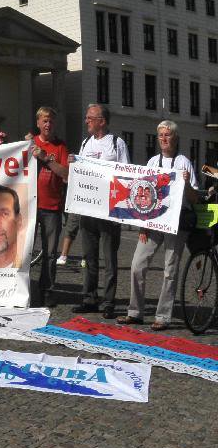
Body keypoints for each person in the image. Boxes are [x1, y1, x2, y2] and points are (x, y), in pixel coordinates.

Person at [120, 120, 198, 329]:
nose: (164, 138)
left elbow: (194, 198)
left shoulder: (184, 162)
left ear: (175, 138)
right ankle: (135, 312)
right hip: (154, 222)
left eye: (168, 135)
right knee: (137, 264)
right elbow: (142, 195)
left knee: (170, 270)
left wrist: (188, 183)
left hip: (176, 222)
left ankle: (163, 316)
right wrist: (143, 226)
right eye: (161, 135)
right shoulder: (153, 162)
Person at [73, 104, 129, 317]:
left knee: (109, 258)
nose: (86, 121)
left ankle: (109, 302)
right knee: (89, 257)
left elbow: (125, 175)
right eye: (87, 117)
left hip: (109, 211)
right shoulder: (85, 143)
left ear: (102, 121)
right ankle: (89, 298)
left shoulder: (117, 143)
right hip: (88, 209)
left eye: (90, 118)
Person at [29, 107, 70, 306]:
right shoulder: (29, 143)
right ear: (38, 123)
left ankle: (47, 290)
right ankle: (23, 288)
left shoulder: (60, 146)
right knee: (24, 250)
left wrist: (46, 158)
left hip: (52, 207)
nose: (48, 124)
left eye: (51, 121)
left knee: (51, 253)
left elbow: (66, 174)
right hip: (29, 205)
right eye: (45, 121)